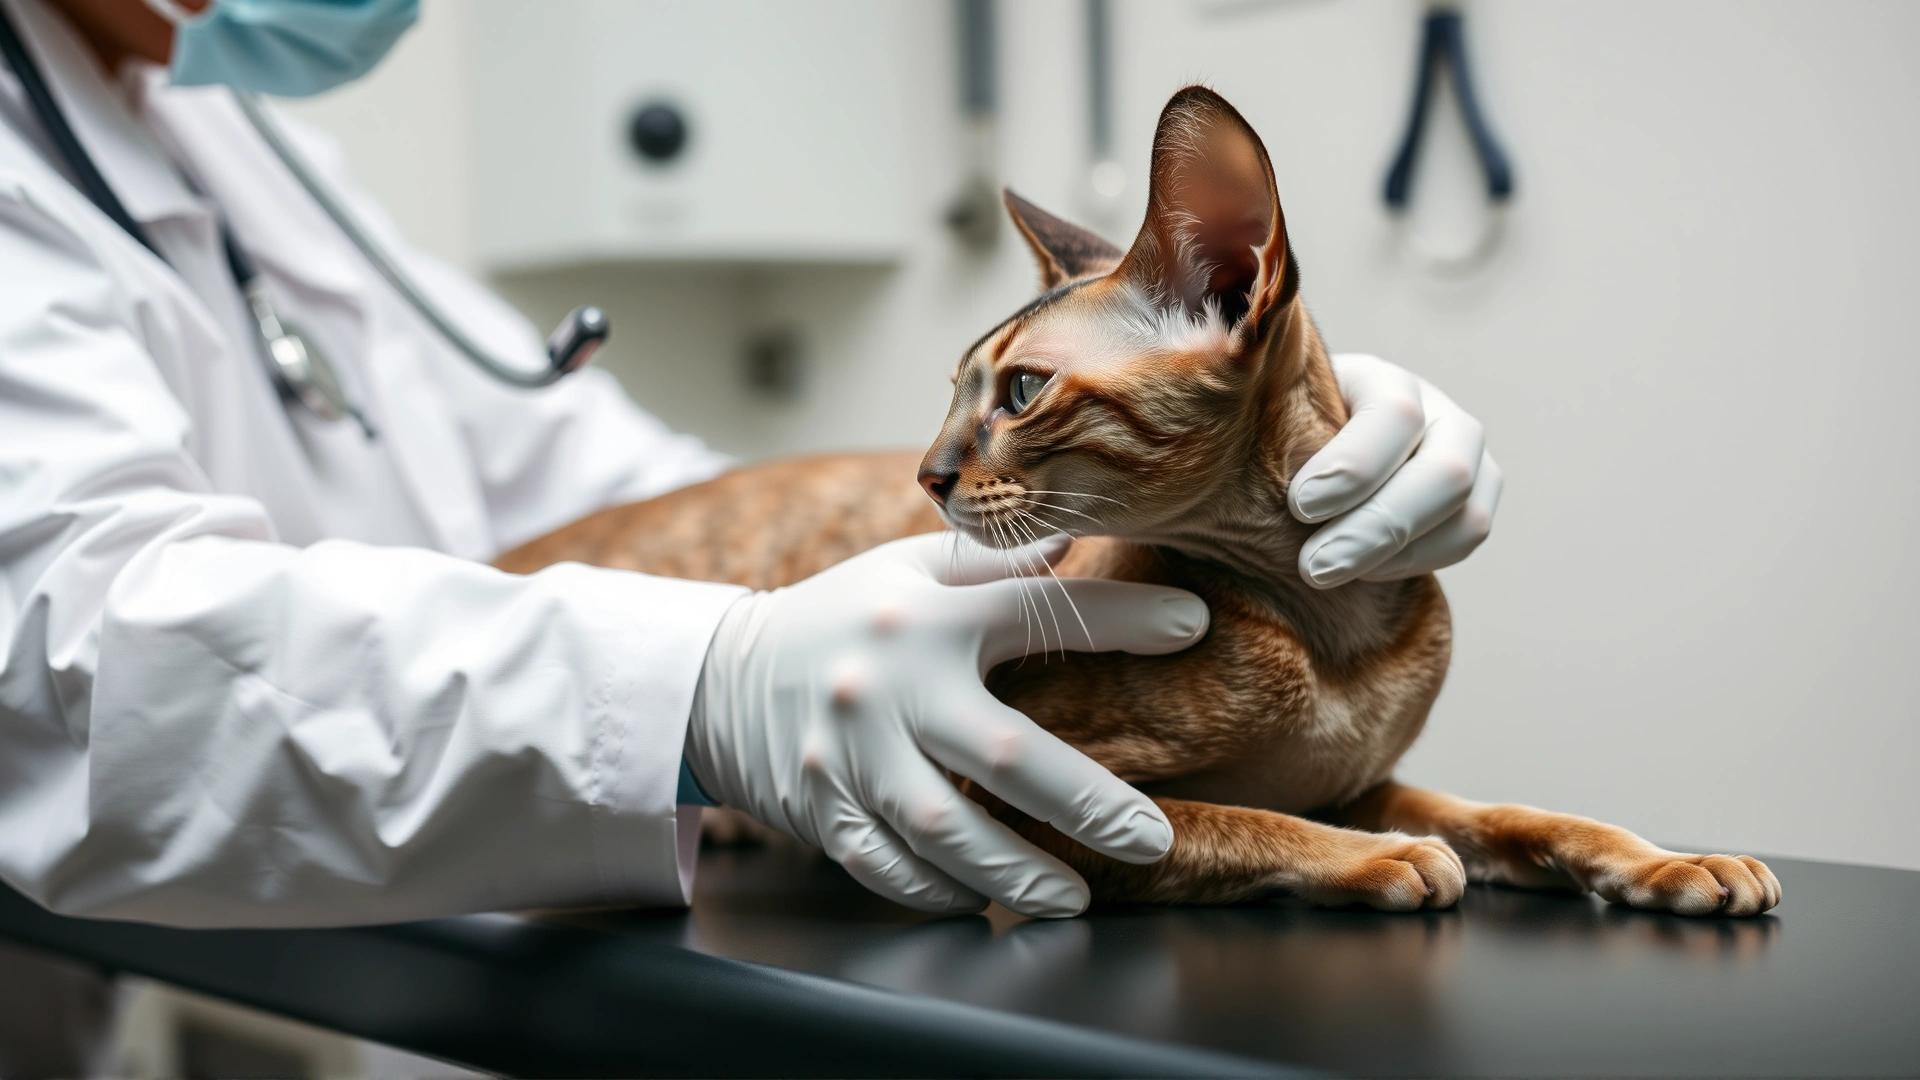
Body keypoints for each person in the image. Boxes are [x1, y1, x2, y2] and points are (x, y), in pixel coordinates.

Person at [0, 0, 1501, 1042]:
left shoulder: (237, 139)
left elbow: (608, 494)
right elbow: (73, 665)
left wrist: (1243, 440)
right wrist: (710, 682)